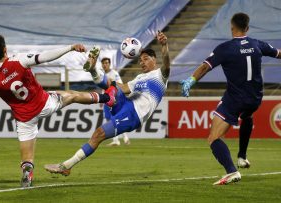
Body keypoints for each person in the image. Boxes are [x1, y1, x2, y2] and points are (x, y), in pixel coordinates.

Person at [0, 35, 115, 187]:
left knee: (27, 158)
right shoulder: (18, 60)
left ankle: (27, 173)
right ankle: (107, 98)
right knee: (72, 95)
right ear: (5, 49)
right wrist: (70, 47)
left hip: (24, 119)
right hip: (45, 104)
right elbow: (46, 57)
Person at [44, 31, 170, 176]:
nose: (142, 62)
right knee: (113, 87)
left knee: (99, 133)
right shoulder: (140, 77)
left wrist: (164, 45)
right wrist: (112, 87)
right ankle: (93, 70)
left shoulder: (161, 75)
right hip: (127, 104)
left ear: (155, 59)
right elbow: (122, 88)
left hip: (134, 115)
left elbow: (166, 64)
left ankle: (66, 165)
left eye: (146, 59)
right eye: (140, 60)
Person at [179, 13, 281, 185]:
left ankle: (232, 171)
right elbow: (278, 53)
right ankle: (242, 156)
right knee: (247, 116)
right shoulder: (257, 44)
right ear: (247, 28)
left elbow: (205, 67)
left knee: (213, 138)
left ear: (231, 27)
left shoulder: (225, 48)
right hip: (256, 98)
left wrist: (191, 80)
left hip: (235, 99)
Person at [100, 57, 130, 146]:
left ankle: (118, 139)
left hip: (114, 99)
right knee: (112, 119)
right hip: (106, 99)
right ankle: (122, 138)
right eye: (103, 63)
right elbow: (103, 88)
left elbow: (120, 85)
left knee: (112, 119)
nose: (105, 65)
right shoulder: (102, 75)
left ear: (109, 64)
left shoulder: (114, 73)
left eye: (106, 63)